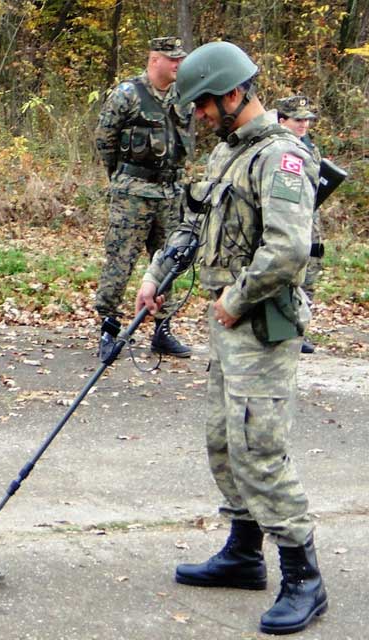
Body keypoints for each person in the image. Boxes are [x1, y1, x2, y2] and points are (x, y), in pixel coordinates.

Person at [135, 42, 327, 635]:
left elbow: (289, 249)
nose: (198, 116)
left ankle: (304, 577)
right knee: (223, 441)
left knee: (260, 449)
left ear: (234, 93)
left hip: (261, 327)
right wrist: (155, 274)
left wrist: (236, 299)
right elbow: (194, 224)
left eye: (203, 106)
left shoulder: (282, 158)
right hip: (228, 329)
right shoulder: (228, 155)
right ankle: (244, 554)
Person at [93, 36, 194, 359]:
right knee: (120, 260)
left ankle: (162, 330)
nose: (178, 64)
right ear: (154, 60)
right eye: (172, 59)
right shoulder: (128, 94)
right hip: (133, 193)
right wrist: (121, 177)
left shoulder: (183, 97)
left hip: (170, 193)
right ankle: (109, 328)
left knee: (169, 260)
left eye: (180, 59)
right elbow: (104, 138)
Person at [276, 95, 322, 354]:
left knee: (310, 271)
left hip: (310, 216)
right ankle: (283, 328)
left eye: (307, 120)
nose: (304, 124)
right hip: (287, 217)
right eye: (298, 120)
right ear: (282, 120)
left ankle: (300, 328)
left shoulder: (309, 147)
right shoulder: (277, 148)